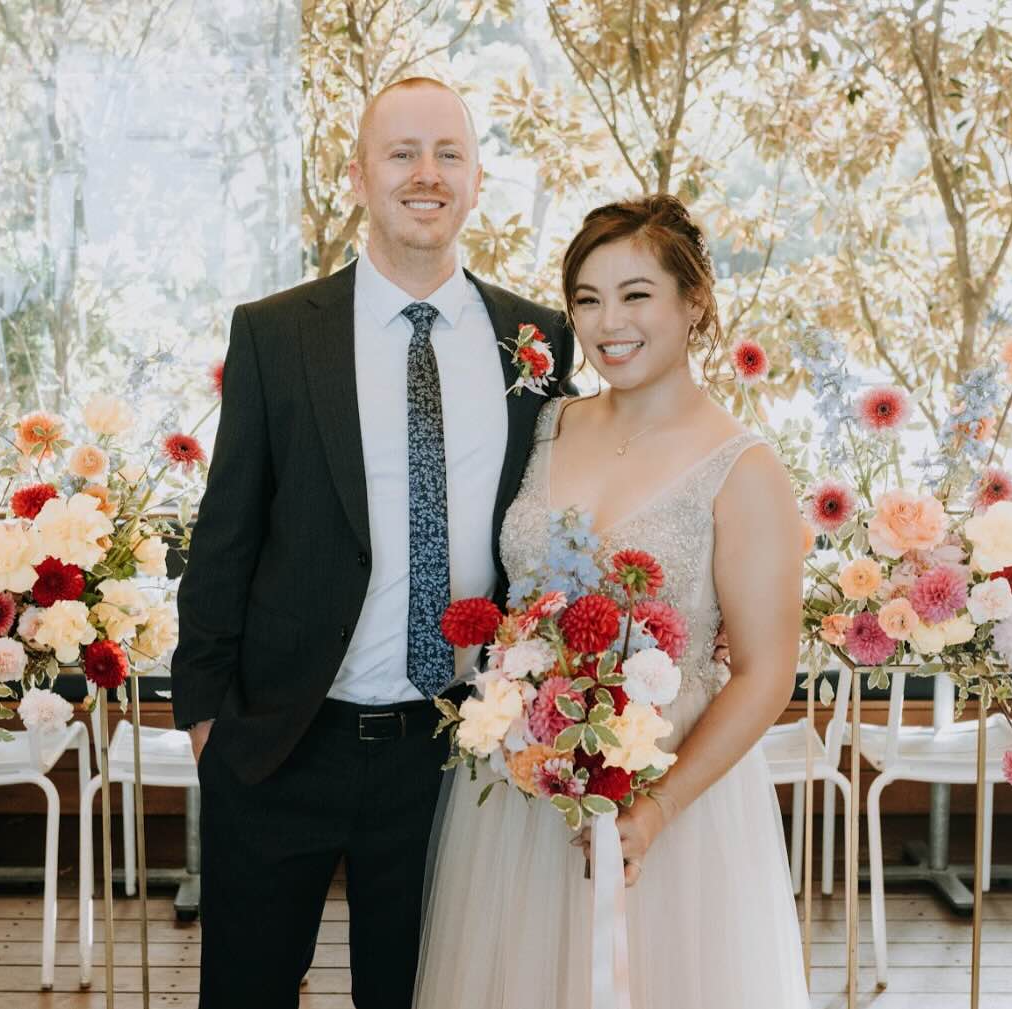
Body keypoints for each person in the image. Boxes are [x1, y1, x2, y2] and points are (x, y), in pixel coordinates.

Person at [170, 77, 574, 1008]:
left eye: (448, 154)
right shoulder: (276, 333)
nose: (425, 173)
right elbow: (225, 531)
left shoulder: (537, 340)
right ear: (358, 175)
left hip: (454, 754)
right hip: (282, 740)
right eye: (401, 153)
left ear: (477, 179)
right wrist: (206, 718)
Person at [414, 194, 810, 1008]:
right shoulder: (546, 424)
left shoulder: (745, 470)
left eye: (636, 295)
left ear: (693, 301)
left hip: (673, 802)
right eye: (587, 300)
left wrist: (655, 812)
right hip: (518, 803)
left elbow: (768, 673)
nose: (607, 323)